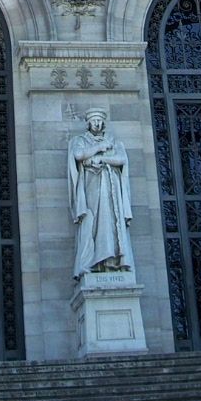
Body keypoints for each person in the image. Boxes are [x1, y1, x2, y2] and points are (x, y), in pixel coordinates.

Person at [68, 108, 134, 280]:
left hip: (111, 189)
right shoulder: (81, 140)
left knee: (111, 223)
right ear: (88, 123)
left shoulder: (112, 140)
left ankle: (113, 263)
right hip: (92, 188)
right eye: (93, 121)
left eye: (99, 121)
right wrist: (98, 147)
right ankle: (92, 263)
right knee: (93, 223)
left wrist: (102, 159)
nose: (96, 124)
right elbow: (78, 154)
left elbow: (121, 159)